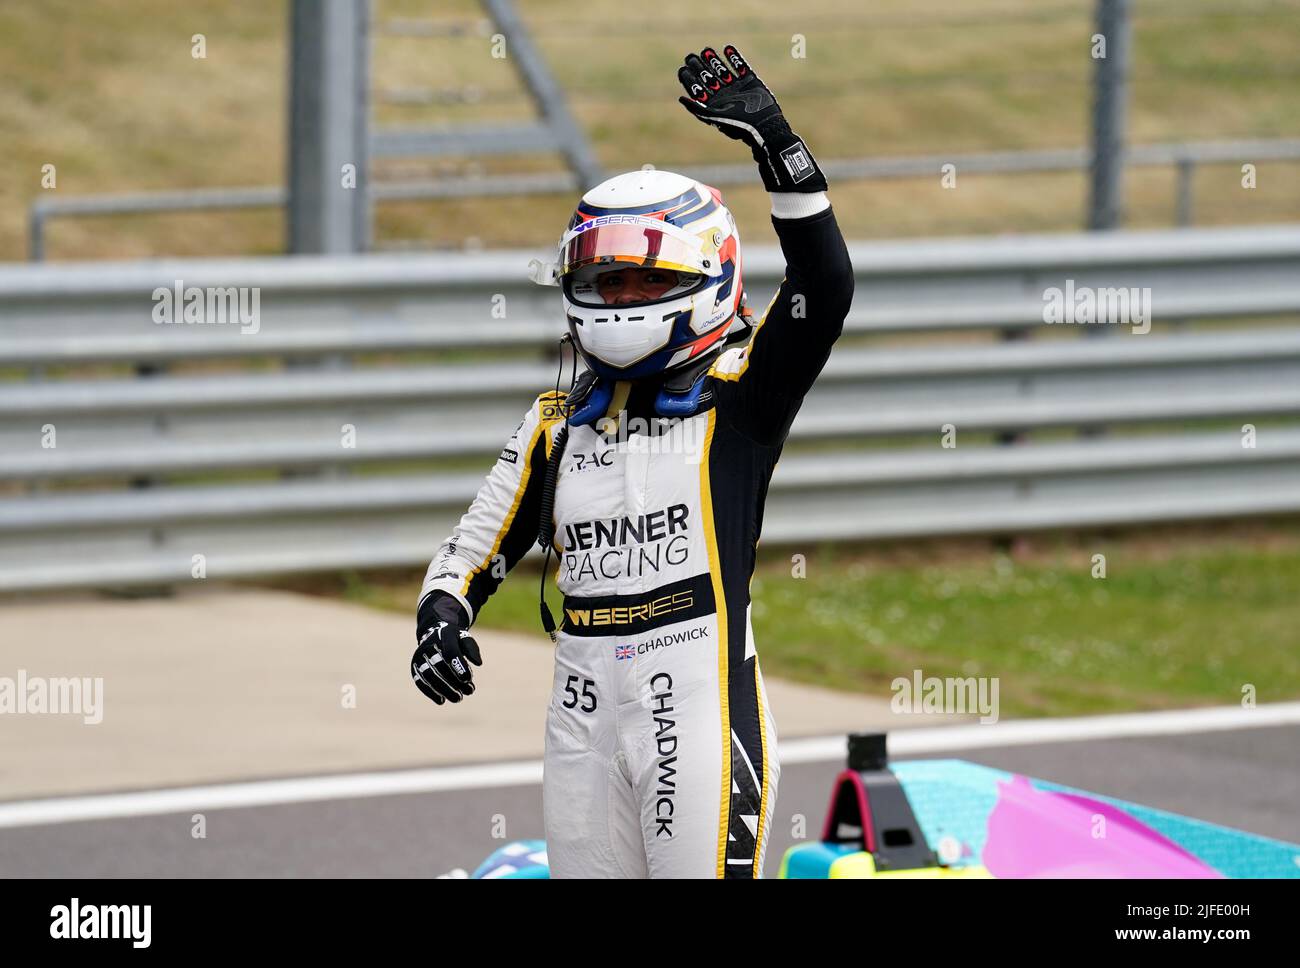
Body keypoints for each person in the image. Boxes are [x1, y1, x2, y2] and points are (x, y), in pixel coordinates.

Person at [412, 45, 854, 878]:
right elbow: (472, 550)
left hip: (693, 705)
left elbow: (825, 287)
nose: (615, 300)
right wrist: (441, 615)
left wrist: (775, 141)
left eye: (637, 281)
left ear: (704, 274)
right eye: (603, 280)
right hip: (577, 713)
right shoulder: (555, 421)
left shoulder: (743, 396)